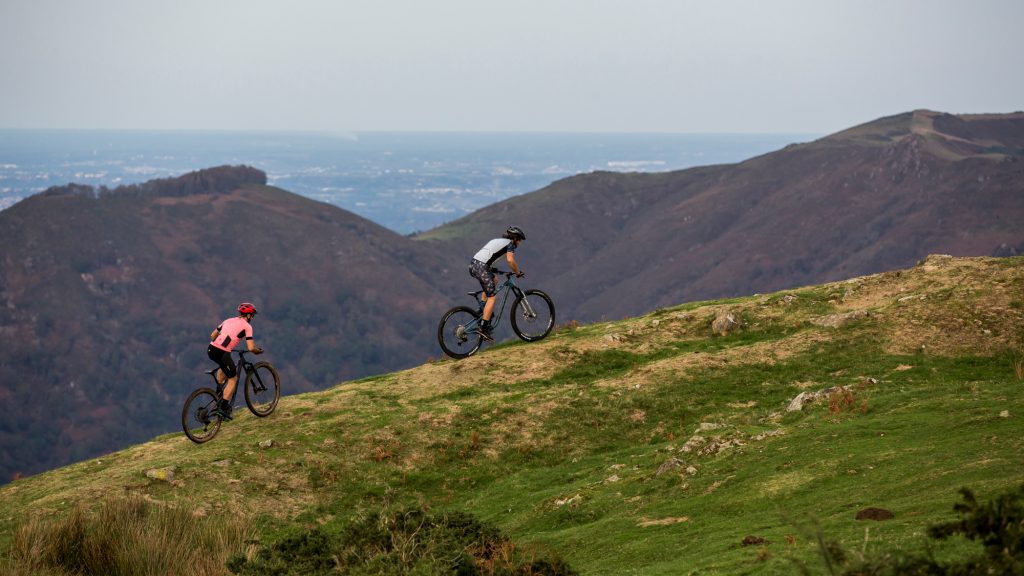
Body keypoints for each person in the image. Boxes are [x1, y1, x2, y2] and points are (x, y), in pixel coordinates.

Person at [207, 302, 263, 419]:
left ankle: (218, 397)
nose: (252, 317)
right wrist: (258, 351)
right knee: (233, 379)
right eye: (252, 315)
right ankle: (223, 409)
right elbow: (251, 348)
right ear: (248, 315)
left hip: (211, 349)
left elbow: (212, 335)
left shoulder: (228, 320)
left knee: (223, 370)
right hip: (223, 352)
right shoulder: (247, 326)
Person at [469, 226, 525, 340]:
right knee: (492, 297)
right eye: (520, 240)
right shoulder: (510, 244)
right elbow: (510, 260)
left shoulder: (497, 240)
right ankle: (483, 328)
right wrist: (517, 272)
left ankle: (482, 309)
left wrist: (495, 271)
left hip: (474, 265)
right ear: (515, 239)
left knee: (494, 279)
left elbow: (488, 257)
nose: (520, 243)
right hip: (482, 267)